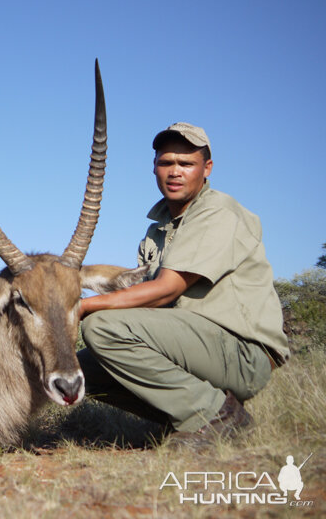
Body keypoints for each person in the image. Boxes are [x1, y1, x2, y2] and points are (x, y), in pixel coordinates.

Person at [76, 122, 289, 448]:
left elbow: (165, 289)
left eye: (186, 163)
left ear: (207, 169)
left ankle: (212, 415)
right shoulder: (157, 231)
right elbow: (138, 296)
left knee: (101, 327)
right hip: (196, 348)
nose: (175, 172)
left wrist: (80, 307)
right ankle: (188, 416)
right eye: (166, 163)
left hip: (243, 354)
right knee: (80, 368)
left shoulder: (217, 210)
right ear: (154, 168)